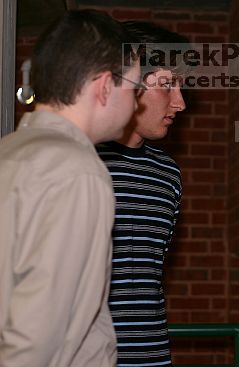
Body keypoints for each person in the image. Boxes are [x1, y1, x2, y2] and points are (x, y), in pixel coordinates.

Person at [0, 10, 140, 367]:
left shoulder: (9, 152)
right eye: (134, 88)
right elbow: (39, 331)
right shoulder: (77, 171)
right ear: (105, 86)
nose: (136, 103)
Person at [96, 21, 187, 367]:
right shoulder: (78, 163)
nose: (180, 103)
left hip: (153, 357)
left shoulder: (168, 175)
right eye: (167, 85)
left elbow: (149, 279)